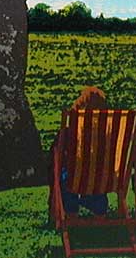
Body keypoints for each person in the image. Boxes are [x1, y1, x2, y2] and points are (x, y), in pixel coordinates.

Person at [49, 86, 109, 217]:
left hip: (74, 180)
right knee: (96, 176)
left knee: (64, 175)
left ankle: (70, 212)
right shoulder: (109, 134)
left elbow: (57, 157)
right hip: (103, 181)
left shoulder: (69, 133)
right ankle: (99, 210)